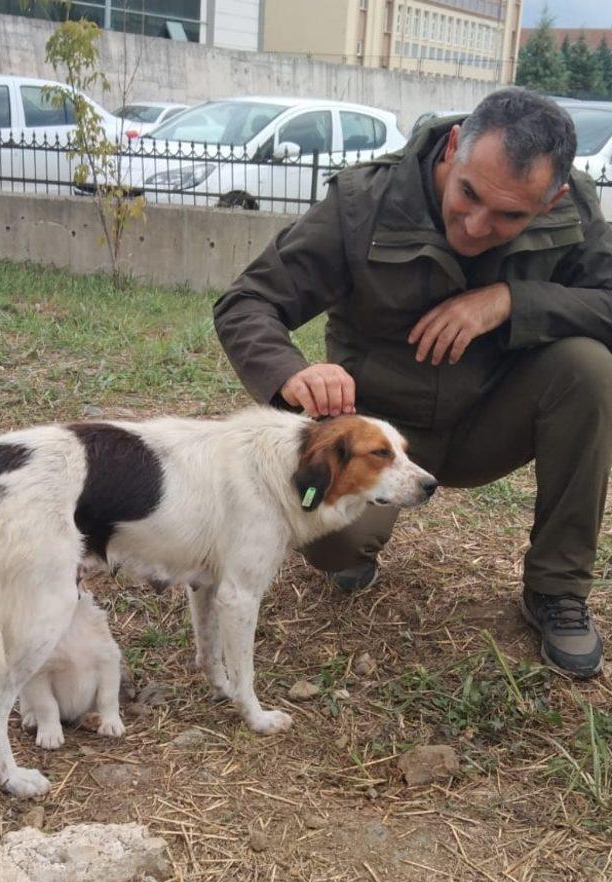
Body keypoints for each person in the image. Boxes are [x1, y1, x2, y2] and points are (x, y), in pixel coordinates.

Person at [213, 88, 612, 680]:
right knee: (333, 551)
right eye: (468, 194)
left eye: (510, 216)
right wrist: (293, 373)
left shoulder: (571, 206)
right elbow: (248, 303)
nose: (477, 227)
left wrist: (511, 300)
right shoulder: (363, 200)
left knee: (589, 368)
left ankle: (556, 587)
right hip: (378, 427)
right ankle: (358, 542)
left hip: (489, 419)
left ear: (551, 198)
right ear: (454, 148)